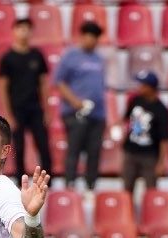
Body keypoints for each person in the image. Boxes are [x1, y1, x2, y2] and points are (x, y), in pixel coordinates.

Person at [54, 21, 106, 199]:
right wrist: (74, 101)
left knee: (94, 151)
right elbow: (58, 82)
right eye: (89, 35)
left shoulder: (99, 59)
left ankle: (90, 186)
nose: (91, 40)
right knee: (74, 149)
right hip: (75, 112)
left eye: (95, 37)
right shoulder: (71, 56)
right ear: (82, 36)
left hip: (97, 113)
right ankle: (70, 184)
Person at [0, 17, 53, 180]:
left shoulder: (37, 55)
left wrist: (47, 110)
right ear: (14, 31)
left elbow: (43, 84)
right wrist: (8, 113)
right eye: (20, 28)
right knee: (19, 147)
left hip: (35, 108)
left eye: (27, 29)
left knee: (43, 145)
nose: (24, 32)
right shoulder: (7, 58)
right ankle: (21, 181)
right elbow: (2, 87)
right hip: (17, 108)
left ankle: (47, 181)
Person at [122, 70, 168, 196]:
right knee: (127, 189)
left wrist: (161, 162)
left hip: (149, 155)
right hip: (130, 151)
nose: (140, 87)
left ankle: (150, 214)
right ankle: (127, 214)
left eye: (143, 85)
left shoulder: (161, 110)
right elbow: (126, 120)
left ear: (151, 87)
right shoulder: (135, 100)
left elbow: (164, 139)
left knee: (151, 190)